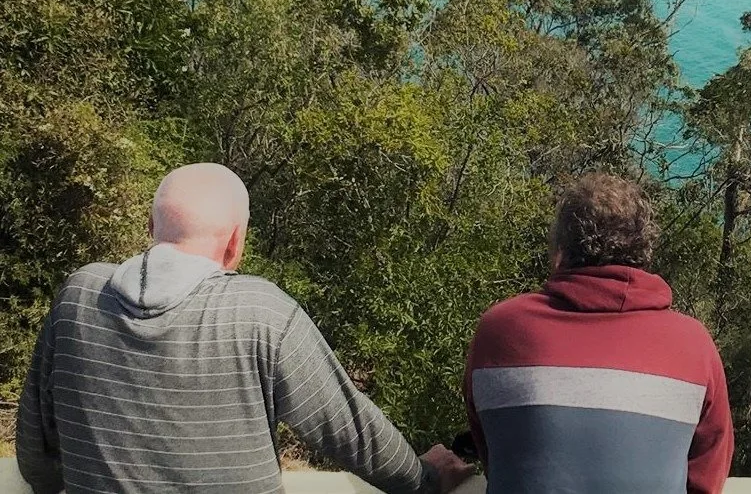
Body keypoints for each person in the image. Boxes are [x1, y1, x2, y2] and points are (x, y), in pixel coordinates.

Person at [17, 163, 473, 494]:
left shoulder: (78, 294)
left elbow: (37, 454)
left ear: (151, 225)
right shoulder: (260, 311)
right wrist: (425, 478)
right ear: (236, 240)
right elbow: (350, 432)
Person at [464, 172, 734, 494]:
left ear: (560, 253)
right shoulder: (693, 344)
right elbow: (708, 473)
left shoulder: (499, 329)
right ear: (644, 254)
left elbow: (494, 454)